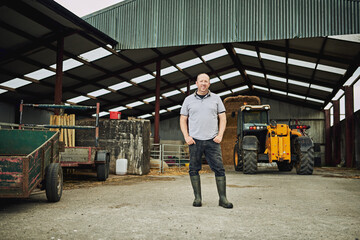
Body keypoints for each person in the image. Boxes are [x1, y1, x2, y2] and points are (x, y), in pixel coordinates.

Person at [180, 73, 233, 209]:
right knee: (193, 169)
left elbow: (223, 118)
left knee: (219, 169)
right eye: (201, 81)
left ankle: (223, 199)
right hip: (195, 141)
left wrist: (220, 135)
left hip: (212, 141)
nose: (203, 83)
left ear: (209, 84)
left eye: (206, 81)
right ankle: (197, 198)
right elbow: (183, 119)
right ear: (196, 83)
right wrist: (187, 136)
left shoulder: (216, 98)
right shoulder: (188, 100)